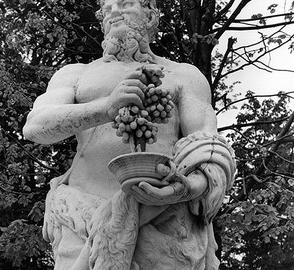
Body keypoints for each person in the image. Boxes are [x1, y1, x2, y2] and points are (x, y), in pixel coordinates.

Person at [23, 0, 236, 269]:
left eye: (125, 3)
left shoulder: (184, 75)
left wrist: (186, 188)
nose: (114, 12)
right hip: (80, 218)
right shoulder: (77, 74)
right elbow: (36, 126)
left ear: (149, 15)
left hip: (165, 216)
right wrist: (107, 107)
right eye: (107, 8)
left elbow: (209, 148)